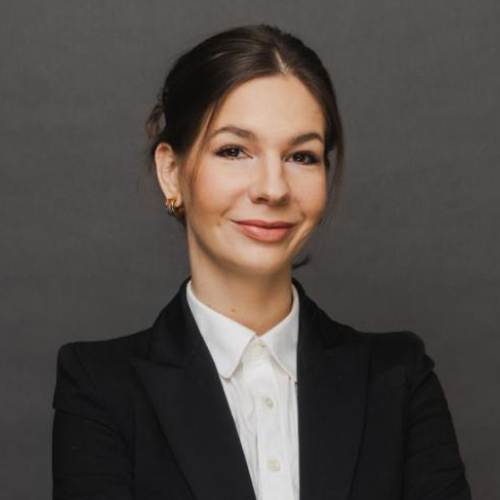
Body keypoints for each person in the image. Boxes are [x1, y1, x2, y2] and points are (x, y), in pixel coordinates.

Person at [51, 24, 472, 500]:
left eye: (302, 156)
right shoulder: (99, 387)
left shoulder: (398, 378)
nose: (273, 188)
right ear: (171, 171)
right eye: (234, 151)